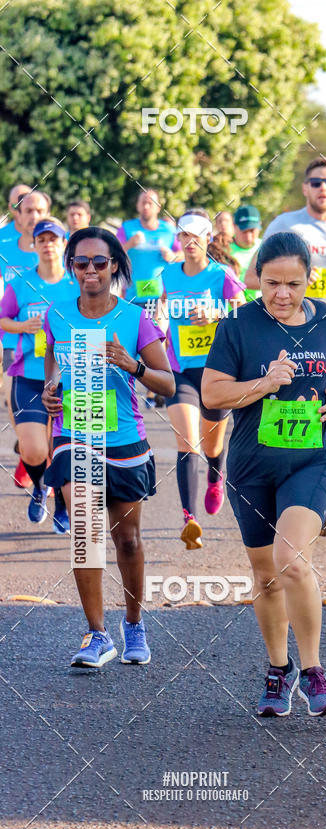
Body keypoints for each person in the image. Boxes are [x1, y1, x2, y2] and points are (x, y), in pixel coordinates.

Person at [202, 232, 326, 716]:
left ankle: (314, 671)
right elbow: (212, 395)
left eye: (293, 284)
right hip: (251, 467)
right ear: (257, 278)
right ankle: (279, 670)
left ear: (309, 279)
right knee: (265, 574)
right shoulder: (237, 326)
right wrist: (264, 383)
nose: (281, 294)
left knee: (291, 559)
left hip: (311, 460)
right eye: (271, 283)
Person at [42, 226, 175, 667]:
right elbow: (53, 375)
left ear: (114, 265)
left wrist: (131, 363)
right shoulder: (56, 316)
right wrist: (49, 394)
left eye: (100, 262)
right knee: (85, 532)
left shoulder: (135, 319)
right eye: (82, 263)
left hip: (123, 439)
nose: (91, 271)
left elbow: (168, 384)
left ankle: (134, 623)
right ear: (72, 267)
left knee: (129, 541)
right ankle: (97, 634)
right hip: (74, 433)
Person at [244, 157, 326, 535]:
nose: (323, 188)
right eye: (316, 182)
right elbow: (253, 274)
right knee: (280, 405)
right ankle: (276, 488)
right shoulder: (286, 225)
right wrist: (285, 291)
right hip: (284, 327)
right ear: (305, 187)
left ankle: (321, 498)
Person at [161, 210, 245, 549]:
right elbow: (161, 309)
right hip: (179, 369)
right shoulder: (167, 274)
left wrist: (217, 313)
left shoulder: (221, 274)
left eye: (196, 236)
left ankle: (215, 475)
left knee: (212, 446)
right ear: (178, 239)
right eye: (184, 236)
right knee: (187, 442)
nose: (190, 242)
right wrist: (159, 331)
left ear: (208, 239)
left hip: (216, 371)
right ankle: (189, 520)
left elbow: (245, 314)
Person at [0, 218, 79, 531]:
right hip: (30, 374)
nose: (48, 244)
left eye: (54, 239)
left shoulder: (76, 282)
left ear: (63, 244)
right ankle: (39, 487)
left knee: (66, 448)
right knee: (34, 449)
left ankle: (62, 503)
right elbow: (3, 318)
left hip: (71, 377)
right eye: (41, 240)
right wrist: (23, 327)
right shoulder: (19, 284)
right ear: (33, 245)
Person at [1, 190, 51, 488]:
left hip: (53, 345)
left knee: (52, 415)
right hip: (12, 336)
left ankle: (36, 456)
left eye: (39, 211)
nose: (34, 217)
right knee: (14, 404)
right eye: (28, 211)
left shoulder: (55, 244)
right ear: (17, 213)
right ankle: (29, 451)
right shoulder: (4, 242)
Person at [116, 189, 182, 309]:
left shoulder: (169, 230)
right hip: (132, 298)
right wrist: (129, 244)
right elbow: (113, 255)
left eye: (150, 203)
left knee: (158, 328)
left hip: (162, 299)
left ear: (158, 207)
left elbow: (184, 254)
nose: (146, 206)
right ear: (137, 205)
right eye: (143, 202)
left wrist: (173, 256)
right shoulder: (126, 228)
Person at [229, 205, 262, 301]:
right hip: (233, 312)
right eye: (244, 231)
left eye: (252, 231)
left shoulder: (267, 247)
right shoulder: (222, 251)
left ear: (260, 225)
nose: (248, 237)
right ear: (234, 227)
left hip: (263, 310)